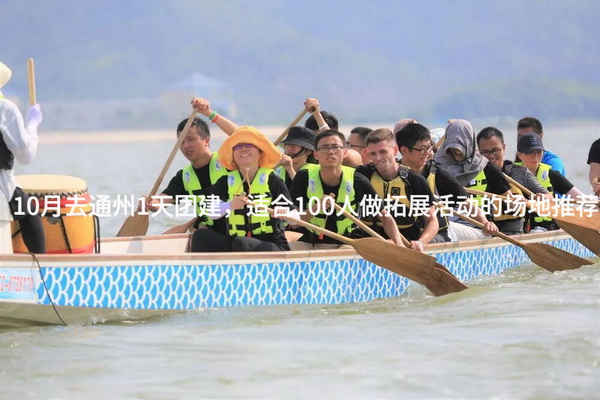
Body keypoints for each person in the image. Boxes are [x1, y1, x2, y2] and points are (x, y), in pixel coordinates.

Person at [289, 129, 403, 250]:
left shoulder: (357, 179)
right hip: (310, 242)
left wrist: (399, 244)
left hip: (346, 243)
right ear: (316, 154)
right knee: (284, 251)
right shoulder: (304, 177)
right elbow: (294, 223)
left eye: (335, 147)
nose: (330, 152)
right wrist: (316, 208)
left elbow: (385, 217)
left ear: (344, 152)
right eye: (324, 148)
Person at [191, 126, 296, 252]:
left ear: (260, 152)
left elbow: (296, 220)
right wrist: (230, 205)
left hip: (271, 244)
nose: (244, 149)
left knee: (242, 242)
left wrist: (285, 214)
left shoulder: (273, 181)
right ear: (233, 155)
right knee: (200, 235)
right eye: (238, 147)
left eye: (249, 145)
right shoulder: (225, 182)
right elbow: (212, 213)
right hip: (236, 242)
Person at [144, 98, 237, 233]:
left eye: (191, 139)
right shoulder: (184, 176)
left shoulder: (227, 160)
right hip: (208, 233)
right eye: (181, 141)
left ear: (206, 141)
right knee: (199, 233)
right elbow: (160, 202)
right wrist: (149, 202)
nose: (186, 145)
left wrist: (209, 113)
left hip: (238, 231)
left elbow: (243, 136)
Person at [397, 123, 497, 241]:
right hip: (403, 232)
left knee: (486, 237)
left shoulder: (436, 173)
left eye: (429, 147)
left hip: (437, 232)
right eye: (422, 149)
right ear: (404, 150)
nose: (428, 153)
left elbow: (467, 204)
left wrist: (486, 223)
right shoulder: (391, 173)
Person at [357, 128, 439, 250]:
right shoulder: (362, 174)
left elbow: (432, 221)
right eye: (373, 154)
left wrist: (421, 243)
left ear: (395, 150)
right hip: (368, 244)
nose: (378, 158)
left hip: (405, 245)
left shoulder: (414, 181)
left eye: (383, 152)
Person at [434, 119, 511, 238]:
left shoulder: (485, 167)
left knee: (446, 227)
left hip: (479, 227)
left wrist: (516, 202)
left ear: (469, 142)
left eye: (460, 147)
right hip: (447, 223)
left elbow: (509, 200)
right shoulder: (437, 166)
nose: (456, 152)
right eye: (452, 148)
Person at [0, 61, 45, 253]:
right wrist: (32, 124)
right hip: (2, 185)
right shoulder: (5, 109)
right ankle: (43, 270)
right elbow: (26, 155)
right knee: (28, 212)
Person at [477, 127, 550, 235]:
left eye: (496, 150)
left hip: (515, 237)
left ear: (504, 147)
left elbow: (549, 198)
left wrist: (532, 200)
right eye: (485, 152)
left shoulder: (520, 173)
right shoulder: (473, 175)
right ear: (478, 152)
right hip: (481, 234)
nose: (491, 156)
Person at [516, 133, 586, 232]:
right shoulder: (510, 173)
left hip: (549, 228)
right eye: (530, 152)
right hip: (520, 229)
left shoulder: (550, 174)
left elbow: (580, 197)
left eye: (538, 152)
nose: (535, 157)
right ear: (519, 154)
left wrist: (596, 203)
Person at [303, 98, 362, 167]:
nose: (319, 143)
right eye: (315, 139)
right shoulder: (304, 155)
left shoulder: (349, 155)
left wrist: (317, 115)